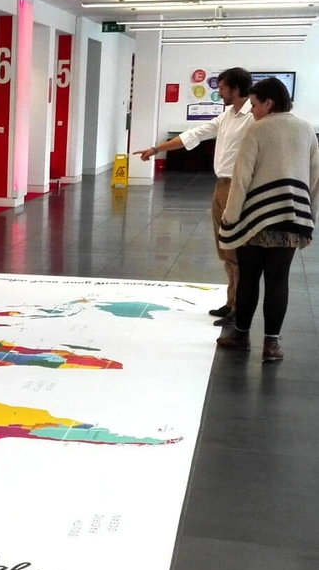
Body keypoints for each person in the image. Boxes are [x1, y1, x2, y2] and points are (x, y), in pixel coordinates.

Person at [134, 67, 254, 326]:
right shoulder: (227, 116)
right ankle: (231, 302)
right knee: (225, 249)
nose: (219, 92)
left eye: (222, 87)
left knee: (237, 250)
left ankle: (239, 308)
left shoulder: (253, 117)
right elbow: (195, 135)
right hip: (221, 186)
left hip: (239, 187)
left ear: (235, 89)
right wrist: (156, 149)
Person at [216, 77, 319, 362]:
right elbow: (315, 180)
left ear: (269, 103)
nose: (251, 111)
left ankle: (241, 337)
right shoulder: (307, 130)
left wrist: (230, 219)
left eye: (254, 105)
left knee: (249, 277)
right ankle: (271, 345)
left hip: (255, 220)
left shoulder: (256, 130)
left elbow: (241, 179)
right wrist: (310, 220)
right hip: (292, 218)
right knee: (278, 280)